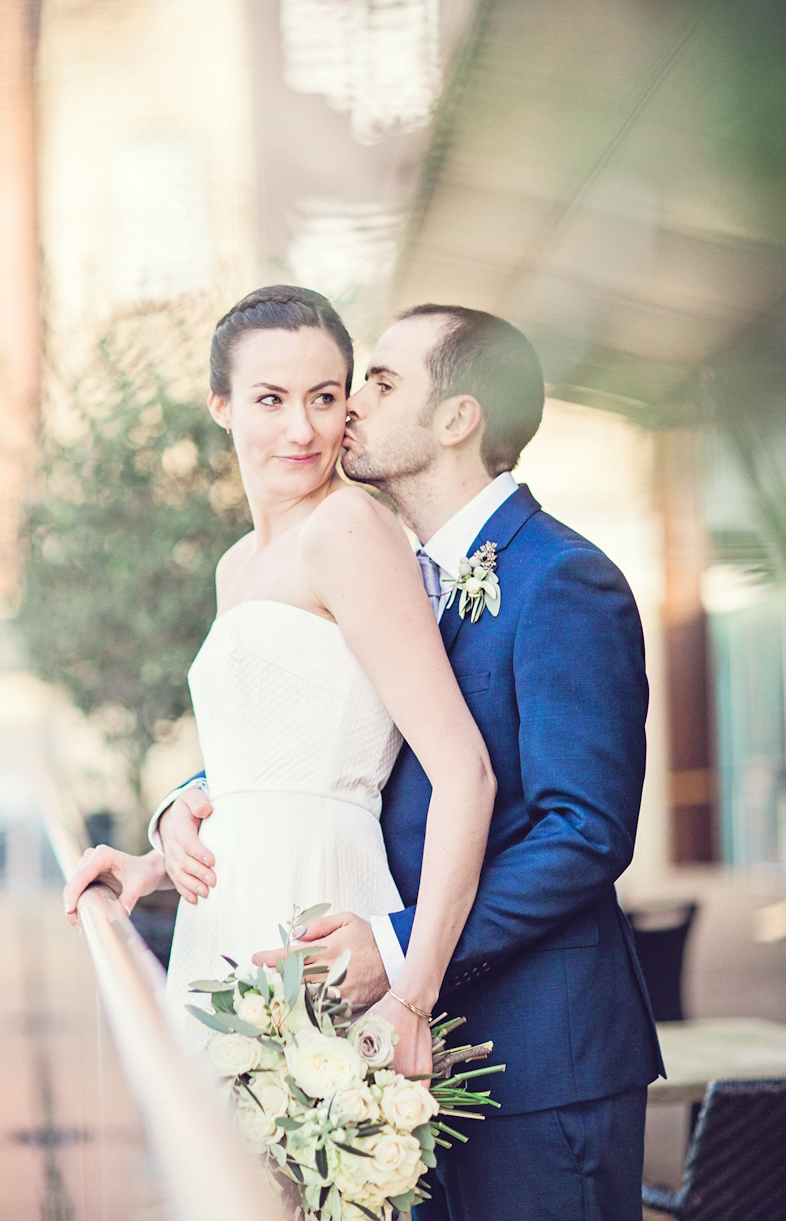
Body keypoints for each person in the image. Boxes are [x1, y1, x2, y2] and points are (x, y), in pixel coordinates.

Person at [146, 304, 665, 1221]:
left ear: (458, 419)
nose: (339, 414)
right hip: (395, 1035)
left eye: (371, 385)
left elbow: (585, 832)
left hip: (543, 1051)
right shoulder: (396, 564)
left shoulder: (562, 579)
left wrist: (397, 950)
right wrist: (182, 808)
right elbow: (339, 733)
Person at [64, 285, 497, 1080]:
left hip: (318, 904)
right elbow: (264, 766)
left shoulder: (350, 530)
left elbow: (462, 770)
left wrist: (412, 990)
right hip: (224, 912)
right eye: (271, 399)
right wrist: (157, 858)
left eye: (325, 398)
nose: (302, 429)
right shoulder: (236, 564)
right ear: (222, 406)